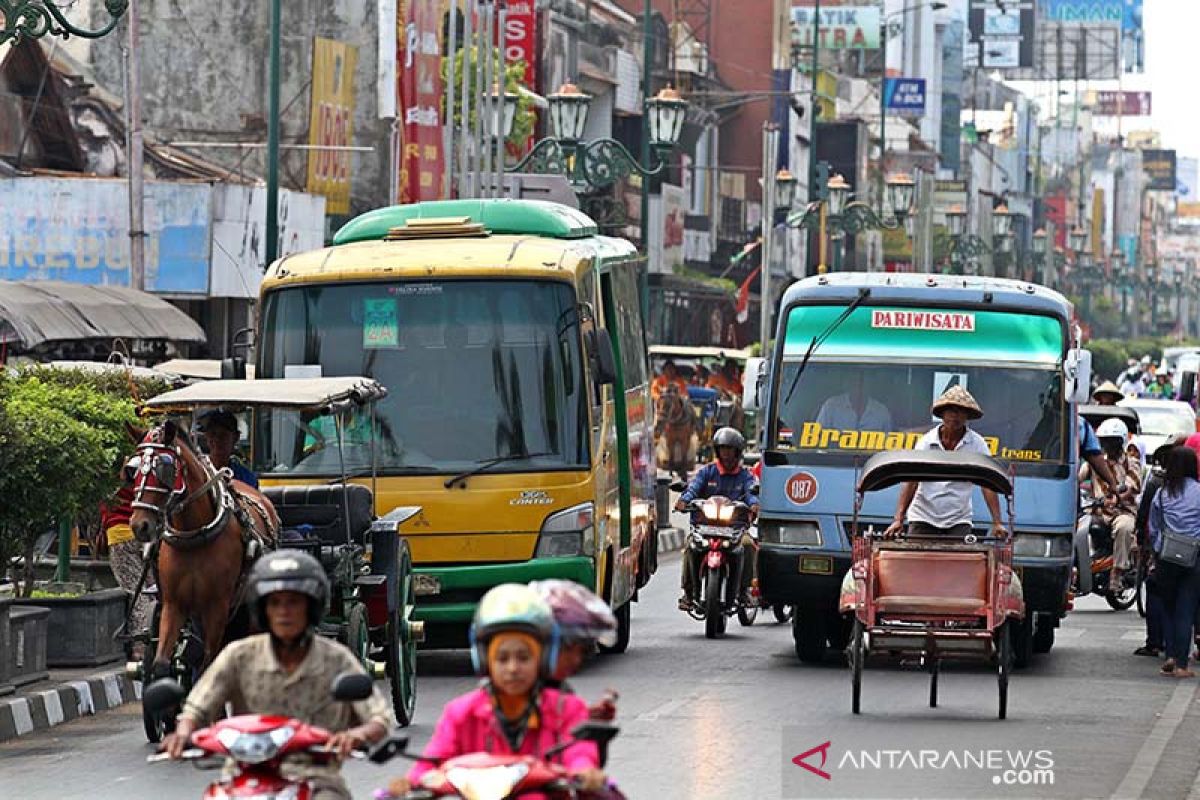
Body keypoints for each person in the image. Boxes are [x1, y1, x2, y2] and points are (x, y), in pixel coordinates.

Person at [161, 550, 394, 799]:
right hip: (243, 775)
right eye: (275, 603)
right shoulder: (239, 655)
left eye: (293, 602)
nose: (284, 611)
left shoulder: (337, 659)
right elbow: (198, 707)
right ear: (263, 609)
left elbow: (378, 717)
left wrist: (357, 735)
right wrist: (183, 732)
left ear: (311, 606)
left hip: (315, 778)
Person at [385, 584, 605, 797]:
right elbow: (434, 759)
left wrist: (583, 771)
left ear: (542, 658)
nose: (512, 668)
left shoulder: (566, 708)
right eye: (502, 658)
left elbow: (580, 752)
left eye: (523, 657)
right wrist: (411, 783)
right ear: (485, 660)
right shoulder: (461, 712)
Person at [885, 386, 1004, 539]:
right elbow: (911, 481)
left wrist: (997, 522)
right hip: (923, 516)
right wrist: (898, 519)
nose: (955, 416)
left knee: (959, 560)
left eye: (961, 411)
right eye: (951, 411)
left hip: (958, 519)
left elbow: (987, 484)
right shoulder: (926, 442)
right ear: (942, 415)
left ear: (967, 416)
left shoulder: (977, 444)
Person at [674, 427, 759, 610]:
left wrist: (754, 504)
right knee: (690, 547)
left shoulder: (745, 475)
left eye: (730, 450)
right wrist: (683, 500)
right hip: (704, 527)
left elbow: (751, 492)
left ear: (737, 452)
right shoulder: (707, 472)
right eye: (723, 449)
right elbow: (693, 489)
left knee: (747, 545)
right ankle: (689, 593)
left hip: (734, 529)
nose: (726, 454)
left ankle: (743, 590)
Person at [530, 579, 620, 727]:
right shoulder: (506, 696)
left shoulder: (559, 690)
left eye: (583, 652)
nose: (576, 660)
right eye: (569, 649)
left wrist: (585, 715)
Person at [1148, 446, 1200, 678]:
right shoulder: (1199, 492)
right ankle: (1181, 664)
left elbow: (1153, 527)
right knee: (1186, 609)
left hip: (1166, 557)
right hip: (1194, 557)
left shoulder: (1162, 493)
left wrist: (1157, 551)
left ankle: (1169, 655)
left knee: (1168, 606)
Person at [1133, 435, 1187, 657]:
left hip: (1162, 549)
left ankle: (1158, 642)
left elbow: (1147, 518)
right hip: (1185, 550)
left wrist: (1149, 545)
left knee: (1157, 591)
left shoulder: (1159, 484)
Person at [1082, 418, 1141, 591]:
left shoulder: (1132, 463)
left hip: (1122, 511)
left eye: (1111, 441)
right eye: (1104, 441)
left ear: (1120, 442)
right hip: (1096, 510)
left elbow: (1131, 487)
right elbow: (1079, 477)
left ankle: (1118, 571)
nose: (1107, 445)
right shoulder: (1095, 462)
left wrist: (1117, 498)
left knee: (1124, 527)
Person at [103, 475, 153, 658]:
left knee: (135, 592)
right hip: (149, 533)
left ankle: (141, 648)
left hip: (122, 533)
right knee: (153, 590)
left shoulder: (114, 467)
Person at [196, 409, 259, 488]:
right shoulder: (198, 471)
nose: (217, 440)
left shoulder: (247, 478)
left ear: (236, 438)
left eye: (223, 435)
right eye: (212, 434)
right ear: (206, 437)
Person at [814, 372, 892, 432]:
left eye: (862, 383)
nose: (858, 387)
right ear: (846, 384)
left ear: (868, 385)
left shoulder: (881, 411)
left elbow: (889, 445)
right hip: (835, 453)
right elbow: (816, 436)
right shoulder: (831, 407)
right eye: (854, 382)